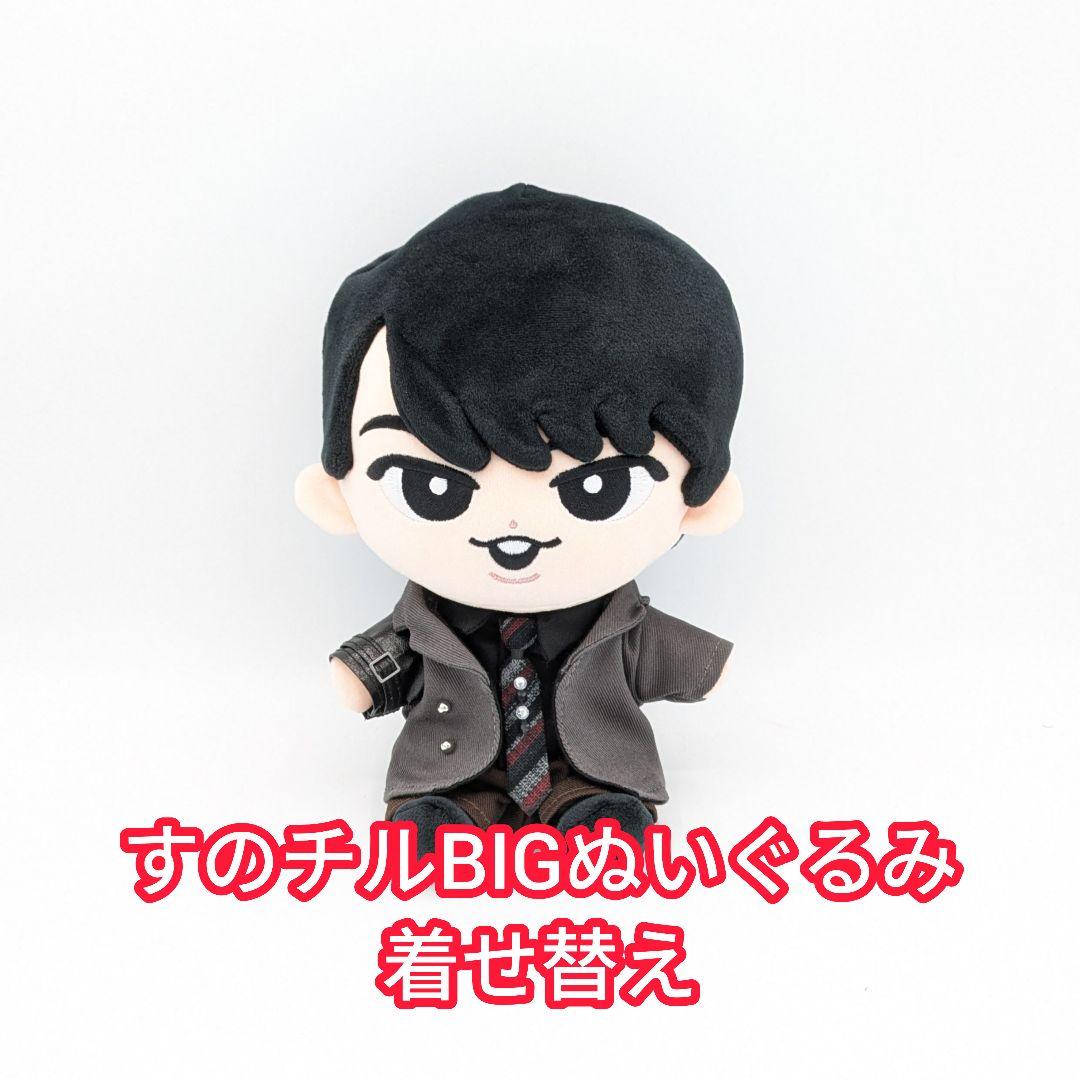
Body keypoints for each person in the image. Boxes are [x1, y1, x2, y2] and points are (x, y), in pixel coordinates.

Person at [296, 184, 744, 853]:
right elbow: (384, 661)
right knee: (432, 816)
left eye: (597, 488)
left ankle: (588, 804)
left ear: (703, 498)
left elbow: (665, 652)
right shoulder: (427, 622)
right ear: (337, 492)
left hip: (593, 766)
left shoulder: (617, 624)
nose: (513, 529)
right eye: (432, 487)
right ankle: (445, 809)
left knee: (601, 810)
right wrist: (360, 674)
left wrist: (706, 667)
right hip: (444, 768)